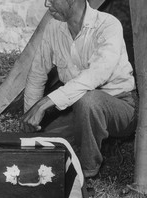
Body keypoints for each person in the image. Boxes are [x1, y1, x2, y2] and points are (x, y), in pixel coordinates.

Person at [20, 0, 137, 178]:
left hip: (120, 106)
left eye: (52, 0)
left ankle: (87, 172)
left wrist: (44, 103)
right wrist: (31, 116)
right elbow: (37, 73)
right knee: (44, 143)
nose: (47, 4)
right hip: (77, 108)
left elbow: (96, 75)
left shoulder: (108, 24)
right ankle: (103, 142)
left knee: (88, 101)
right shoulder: (53, 27)